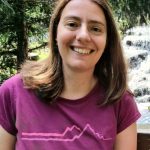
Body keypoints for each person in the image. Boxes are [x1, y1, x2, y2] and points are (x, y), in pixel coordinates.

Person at [0, 0, 141, 149]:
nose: (83, 36)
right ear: (55, 32)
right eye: (72, 24)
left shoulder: (120, 101)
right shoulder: (13, 92)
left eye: (95, 28)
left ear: (107, 40)